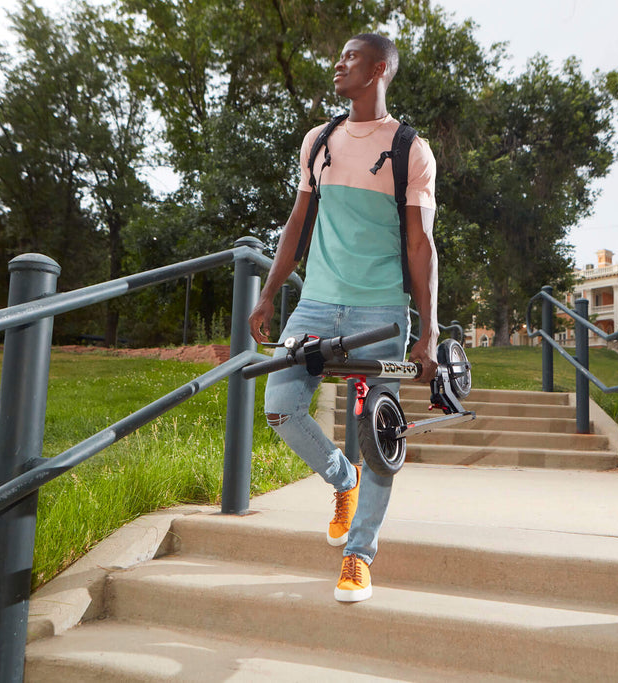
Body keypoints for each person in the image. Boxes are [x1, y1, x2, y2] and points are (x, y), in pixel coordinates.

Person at [249, 33, 439, 603]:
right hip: (317, 304)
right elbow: (296, 221)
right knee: (280, 404)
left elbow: (420, 244)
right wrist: (269, 293)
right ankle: (341, 478)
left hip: (382, 306)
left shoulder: (411, 149)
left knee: (378, 433)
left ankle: (359, 556)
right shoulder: (320, 140)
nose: (339, 63)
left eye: (352, 57)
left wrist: (427, 331)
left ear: (379, 69)